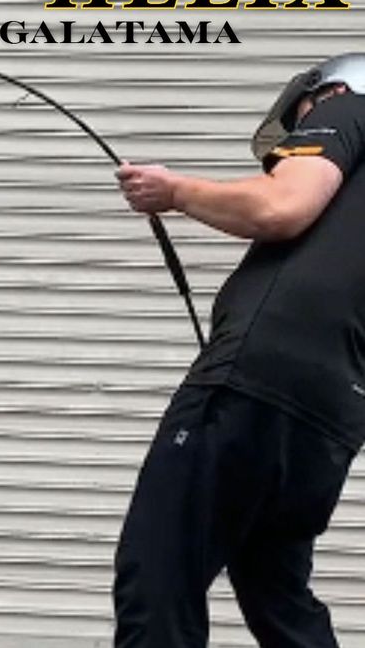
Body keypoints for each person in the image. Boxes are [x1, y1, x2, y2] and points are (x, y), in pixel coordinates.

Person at [112, 52, 365, 648]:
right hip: (331, 414)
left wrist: (175, 191)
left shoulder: (346, 107)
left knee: (160, 568)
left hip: (258, 378)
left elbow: (281, 206)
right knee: (276, 592)